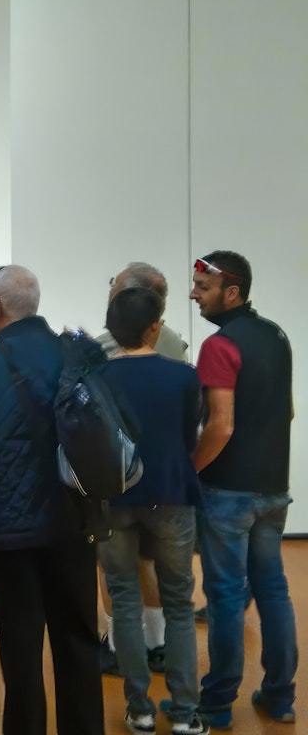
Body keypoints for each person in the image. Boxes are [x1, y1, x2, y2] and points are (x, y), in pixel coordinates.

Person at [0, 265, 104, 735]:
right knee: (78, 642)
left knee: (20, 651)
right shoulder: (82, 356)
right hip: (75, 521)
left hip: (4, 531)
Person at [189, 251, 298, 727]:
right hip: (274, 489)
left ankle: (217, 703)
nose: (194, 293)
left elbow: (221, 426)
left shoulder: (220, 346)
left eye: (203, 288)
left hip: (228, 493)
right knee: (273, 591)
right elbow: (288, 411)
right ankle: (279, 697)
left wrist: (190, 470)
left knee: (228, 597)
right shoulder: (277, 336)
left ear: (231, 292)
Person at [95, 287, 206, 735]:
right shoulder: (184, 377)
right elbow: (188, 436)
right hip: (172, 495)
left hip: (114, 498)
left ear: (111, 328)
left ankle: (139, 709)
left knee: (124, 602)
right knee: (179, 604)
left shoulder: (97, 377)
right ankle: (184, 713)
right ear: (155, 327)